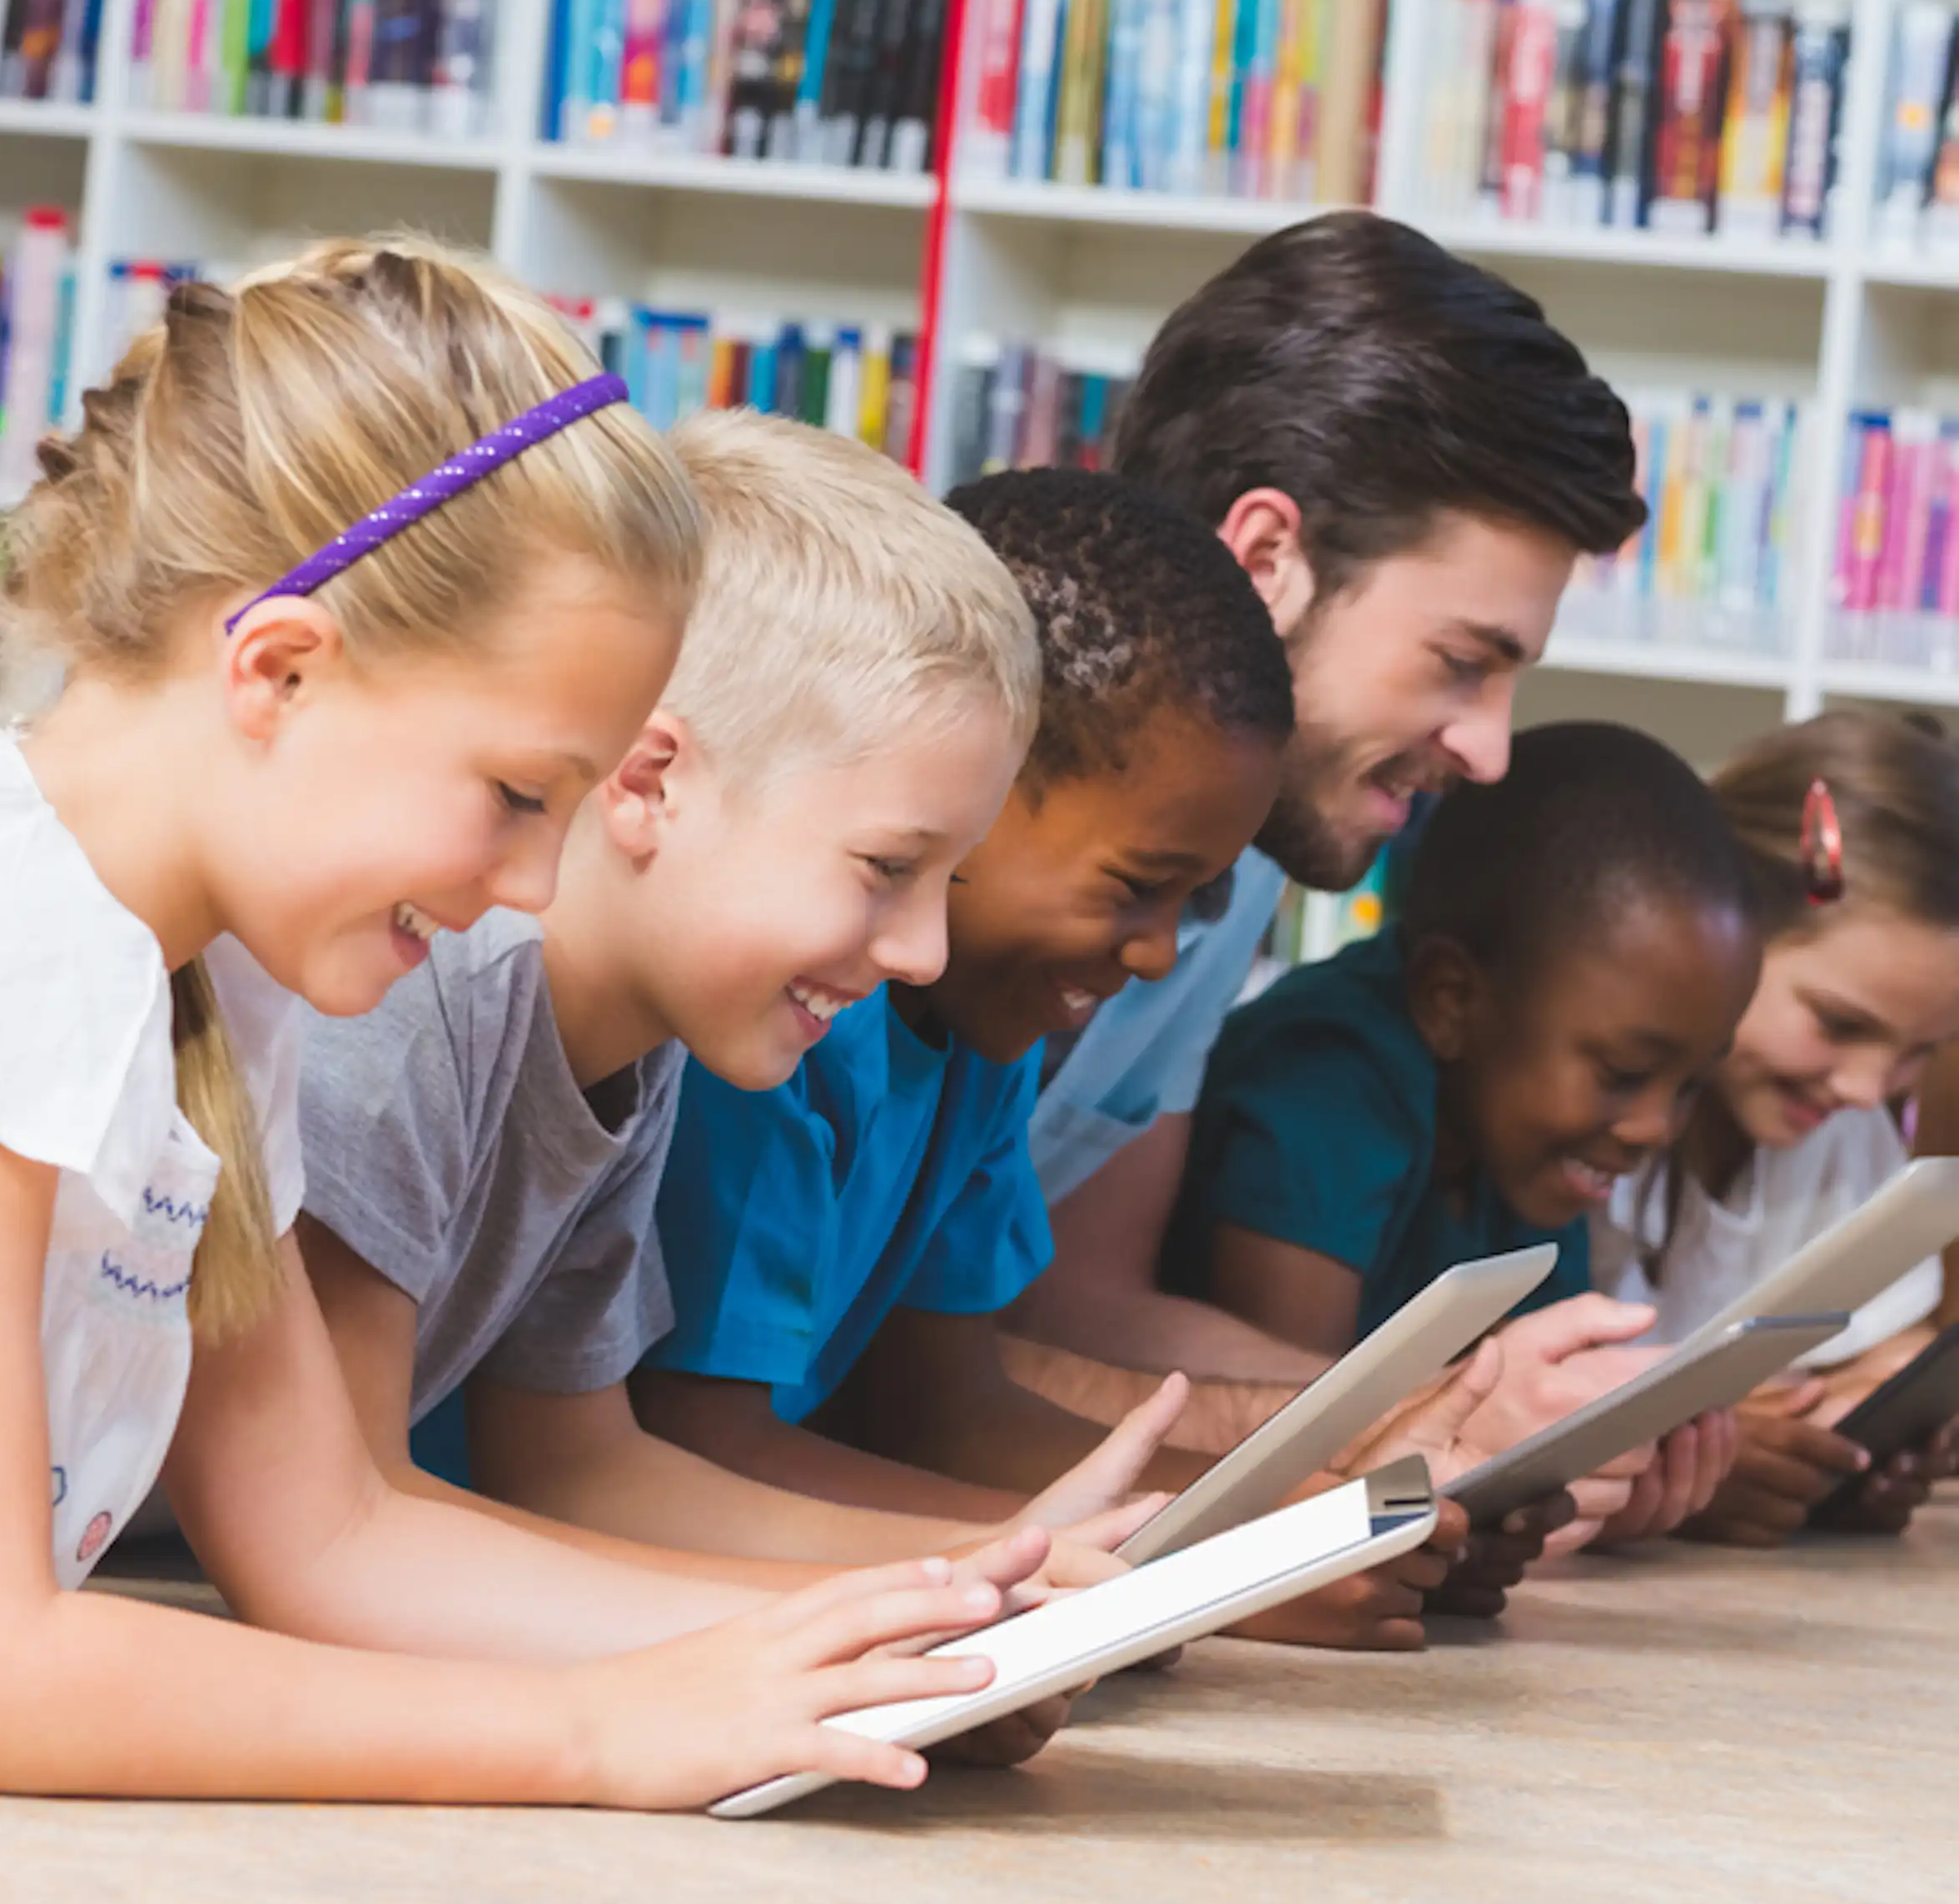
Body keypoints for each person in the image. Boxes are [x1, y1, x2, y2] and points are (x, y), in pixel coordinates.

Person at [0, 239, 1047, 1808]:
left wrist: (859, 1651)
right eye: (517, 795)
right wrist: (602, 1735)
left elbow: (337, 1538)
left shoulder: (220, 983)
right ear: (278, 668)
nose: (536, 880)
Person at [639, 469, 1562, 1650]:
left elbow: (942, 1406)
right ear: (980, 790)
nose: (1164, 954)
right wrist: (1183, 1568)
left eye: (1203, 900)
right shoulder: (789, 1027)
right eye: (1137, 889)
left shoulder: (989, 1043)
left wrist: (1284, 1518)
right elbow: (704, 1441)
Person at [296, 410, 1167, 1589]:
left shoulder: (636, 1047)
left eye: (948, 881)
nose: (922, 953)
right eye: (887, 869)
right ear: (653, 783)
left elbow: (580, 1466)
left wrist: (994, 1571)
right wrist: (878, 1623)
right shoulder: (414, 998)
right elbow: (342, 1522)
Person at [1000, 213, 1654, 1439]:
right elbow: (889, 1373)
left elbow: (1069, 1303)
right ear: (1266, 561)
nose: (1492, 749)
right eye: (1462, 662)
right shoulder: (918, 827)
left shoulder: (1240, 869)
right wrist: (1387, 1438)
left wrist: (1449, 1421)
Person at [1161, 723, 1762, 1545]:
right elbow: (1311, 1446)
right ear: (1450, 1000)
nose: (1656, 1126)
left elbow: (1523, 1431)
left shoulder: (1530, 1145)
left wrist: (1614, 1475)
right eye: (1621, 1073)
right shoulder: (1325, 1075)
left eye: (1691, 1084)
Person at [1589, 713, 1959, 1545]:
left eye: (1919, 1053)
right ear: (1717, 921)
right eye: (1836, 1022)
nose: (1868, 1090)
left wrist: (1857, 1424)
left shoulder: (1836, 1122)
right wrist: (1698, 1457)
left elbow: (1885, 1346)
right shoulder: (1583, 1119)